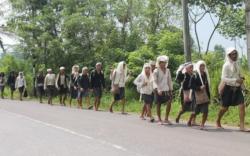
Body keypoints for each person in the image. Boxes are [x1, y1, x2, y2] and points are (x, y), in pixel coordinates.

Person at [216, 47, 248, 132]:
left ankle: (242, 126)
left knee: (242, 106)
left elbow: (240, 77)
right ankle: (218, 120)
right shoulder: (226, 65)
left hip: (237, 89)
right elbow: (224, 78)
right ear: (229, 55)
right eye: (233, 54)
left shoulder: (237, 64)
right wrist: (235, 80)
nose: (235, 55)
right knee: (224, 108)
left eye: (235, 53)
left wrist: (244, 88)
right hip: (228, 89)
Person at [190, 60, 210, 130]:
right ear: (198, 66)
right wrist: (199, 87)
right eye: (201, 66)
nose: (202, 67)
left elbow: (207, 86)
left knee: (206, 111)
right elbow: (191, 85)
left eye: (203, 66)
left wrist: (209, 96)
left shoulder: (205, 74)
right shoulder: (194, 75)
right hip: (196, 96)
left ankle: (202, 124)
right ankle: (190, 120)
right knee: (195, 111)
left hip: (204, 96)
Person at [153, 56, 173, 125]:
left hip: (166, 89)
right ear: (159, 63)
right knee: (159, 104)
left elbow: (169, 80)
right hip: (158, 89)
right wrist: (158, 89)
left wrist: (171, 90)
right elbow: (154, 81)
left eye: (164, 62)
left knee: (169, 102)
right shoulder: (156, 71)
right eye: (162, 62)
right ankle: (159, 119)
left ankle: (166, 118)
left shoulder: (168, 70)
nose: (163, 64)